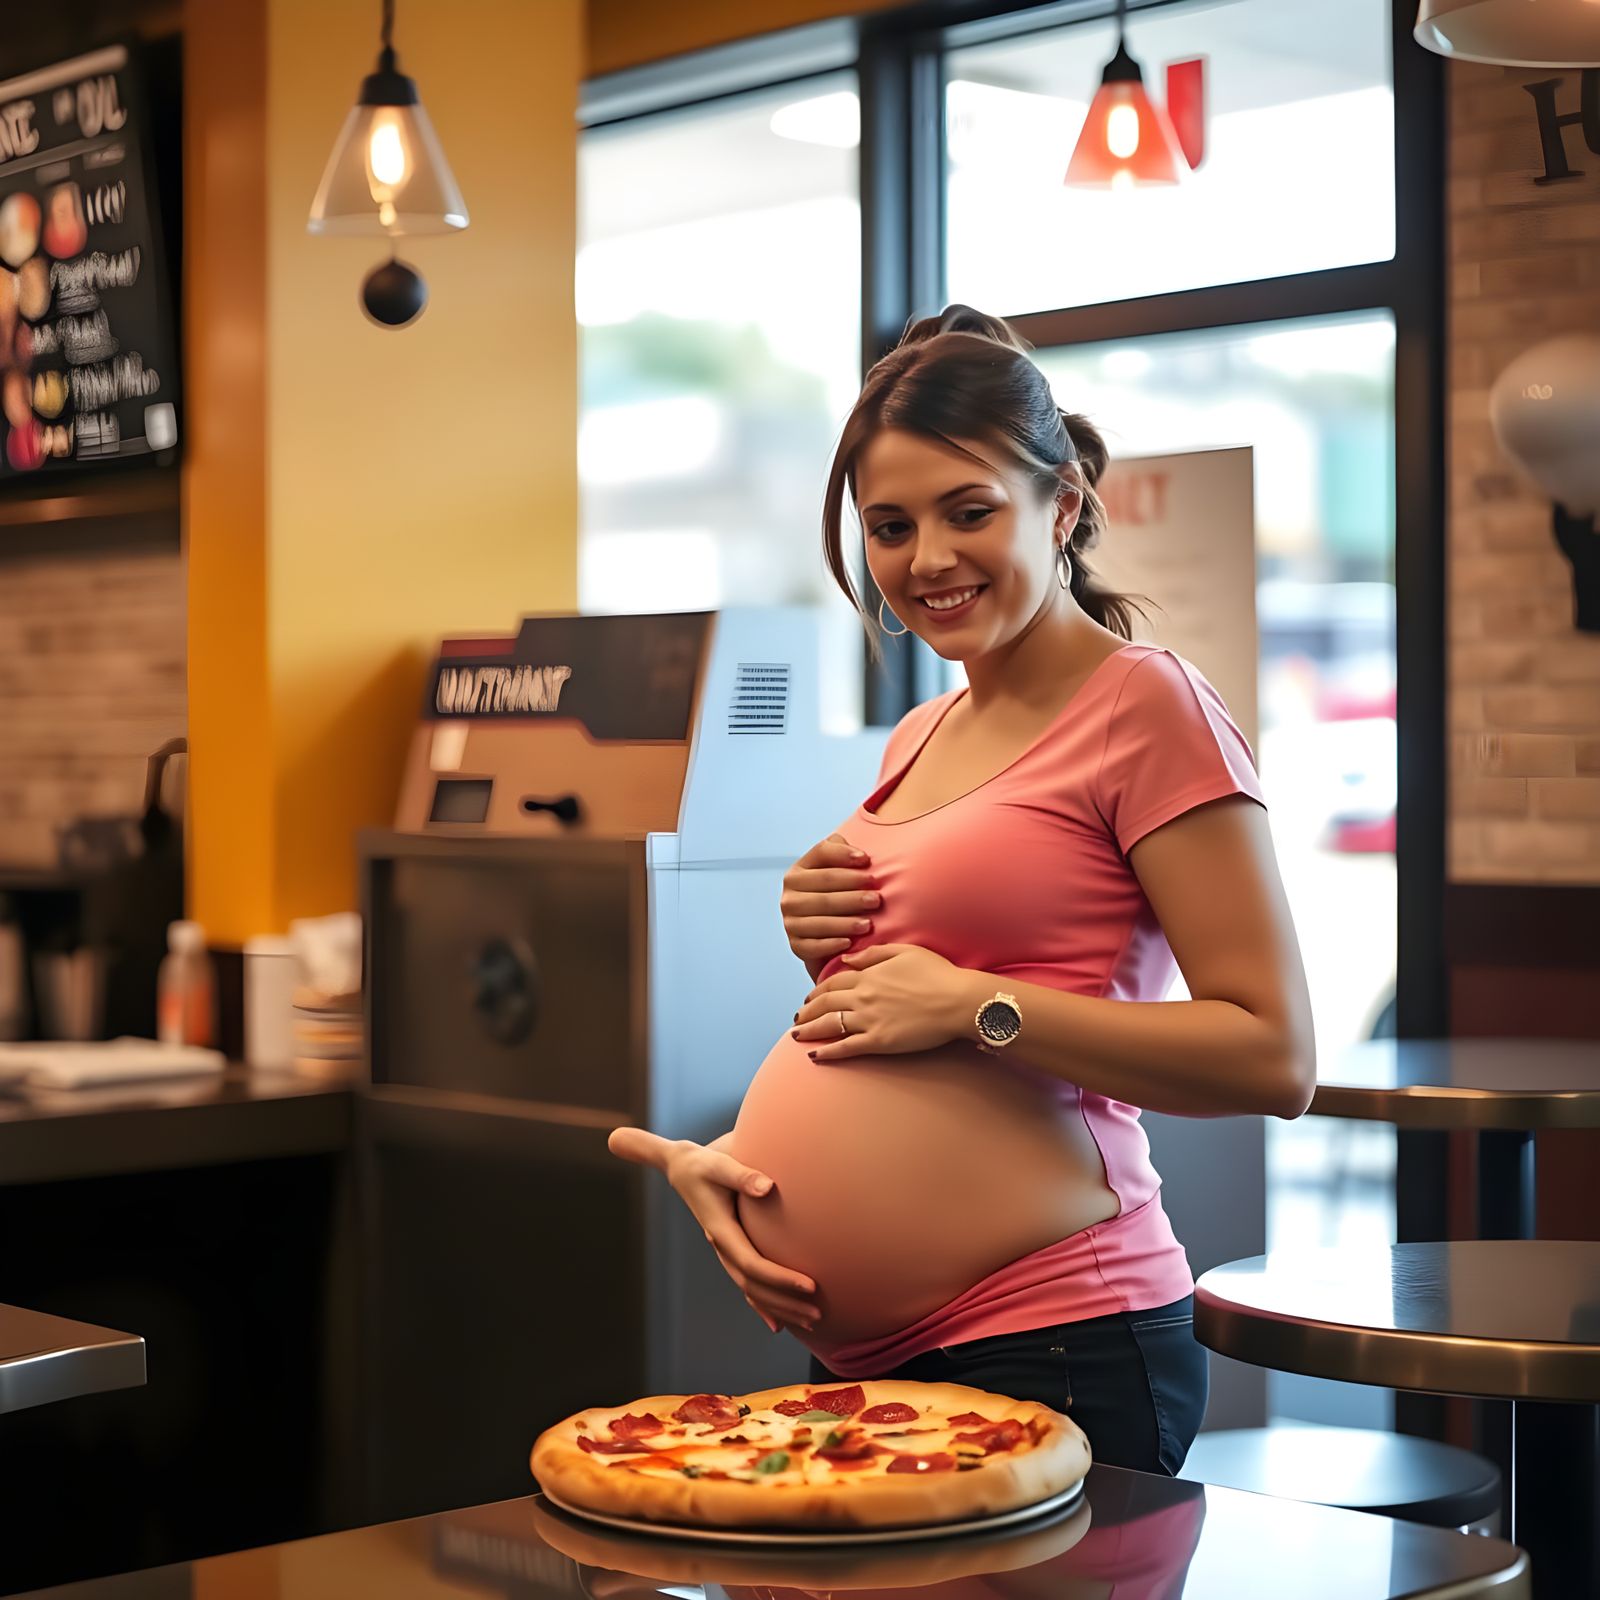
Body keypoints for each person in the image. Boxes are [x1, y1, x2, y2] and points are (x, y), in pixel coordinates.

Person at [609, 304, 1315, 1475]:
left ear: (1063, 506)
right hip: (863, 1360)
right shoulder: (921, 731)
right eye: (889, 526)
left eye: (968, 511)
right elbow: (900, 1037)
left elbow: (1273, 1056)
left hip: (1057, 1343)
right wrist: (730, 1160)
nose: (925, 558)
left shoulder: (1147, 706)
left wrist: (974, 1004)